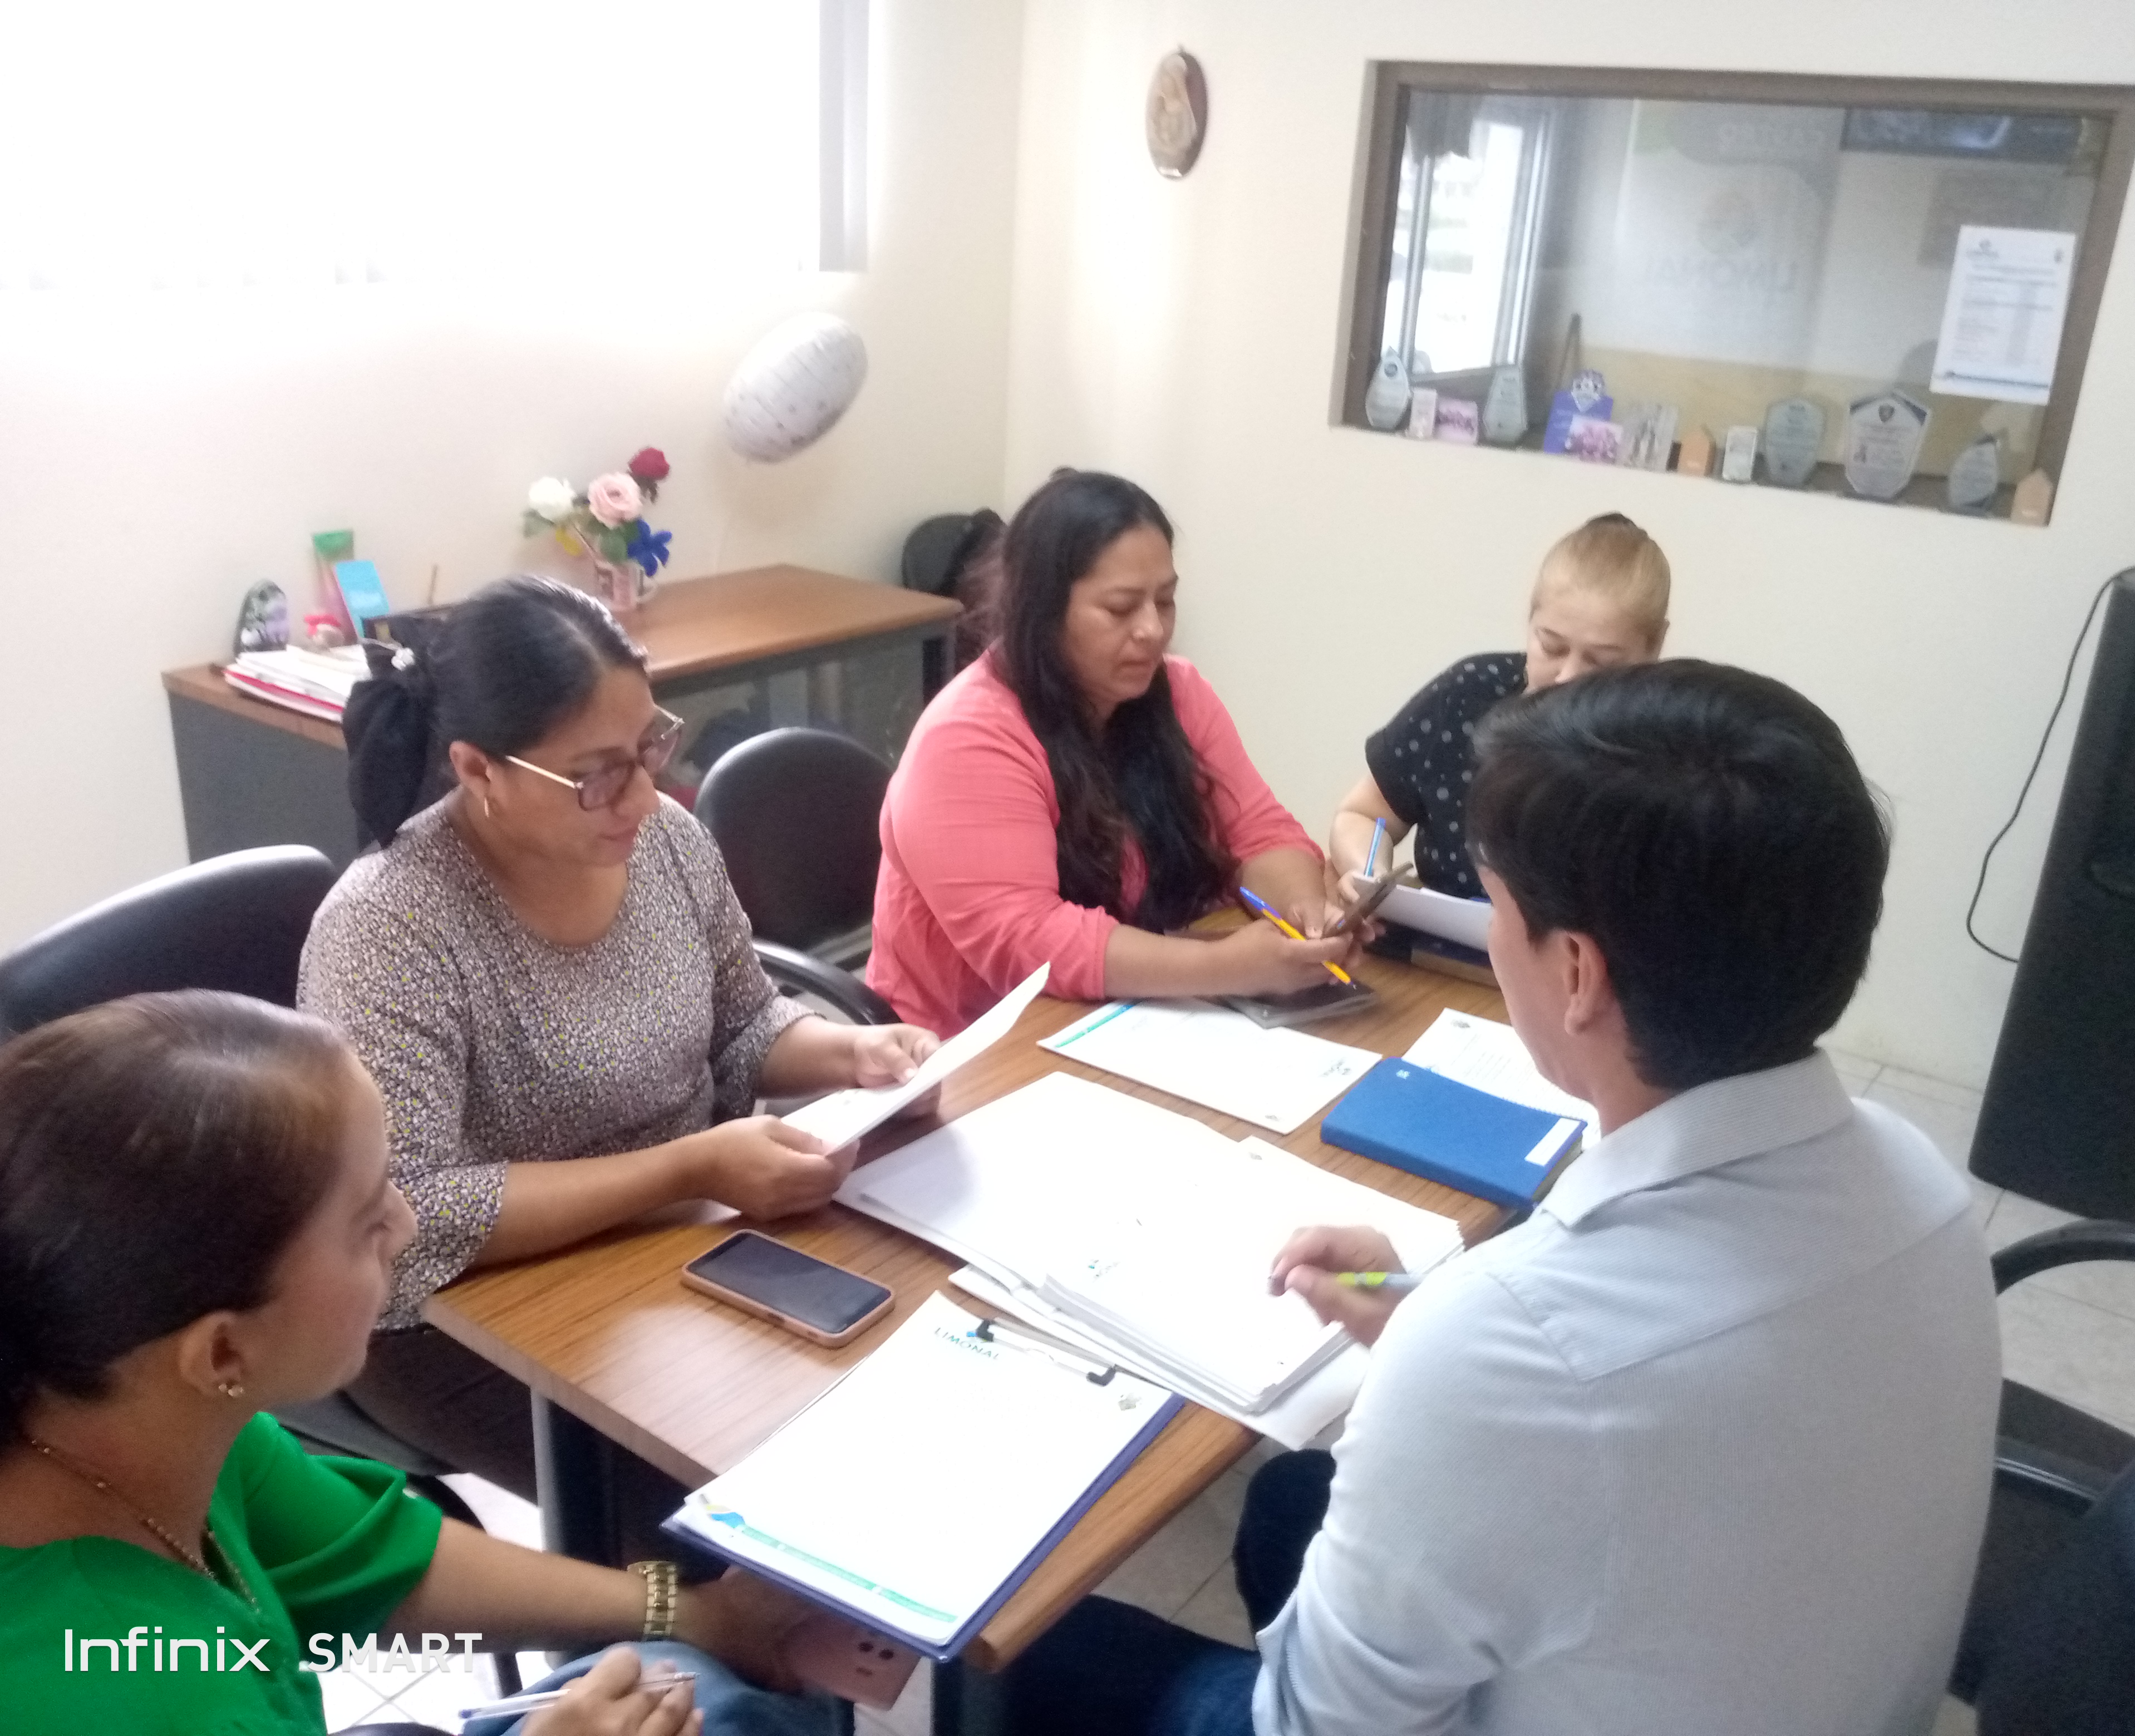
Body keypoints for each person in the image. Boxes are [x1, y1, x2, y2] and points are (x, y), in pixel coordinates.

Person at [1002, 660, 2003, 1736]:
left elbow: (1312, 1727)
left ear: (1576, 974)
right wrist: (1430, 1315)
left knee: (1040, 1655)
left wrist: (1449, 1350)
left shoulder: (1507, 1351)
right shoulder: (1922, 1186)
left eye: (1499, 912)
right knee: (1291, 1502)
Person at [0, 990, 845, 1735]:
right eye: (366, 1220)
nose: (406, 1225)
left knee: (708, 1681)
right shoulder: (138, 1695)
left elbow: (383, 1566)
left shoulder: (152, 1425)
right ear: (223, 1348)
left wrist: (694, 1614)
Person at [301, 575, 938, 1500]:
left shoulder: (664, 843)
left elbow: (743, 1020)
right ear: (479, 770)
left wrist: (852, 1055)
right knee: (720, 1512)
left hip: (676, 1243)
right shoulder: (389, 927)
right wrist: (688, 1169)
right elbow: (413, 1212)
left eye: (650, 746)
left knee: (878, 1407)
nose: (642, 795)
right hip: (462, 1311)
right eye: (596, 774)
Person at [868, 470, 1351, 1036]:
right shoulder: (967, 738)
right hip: (966, 1045)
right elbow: (1030, 943)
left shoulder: (1180, 693)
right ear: (1042, 611)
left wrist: (1306, 917)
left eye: (1165, 601)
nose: (1152, 630)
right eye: (1122, 609)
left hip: (1122, 1016)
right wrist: (1229, 966)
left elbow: (1259, 832)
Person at [1326, 511, 1670, 902]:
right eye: (1551, 647)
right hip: (1435, 938)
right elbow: (1363, 814)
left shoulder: (1673, 755)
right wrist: (1369, 873)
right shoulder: (1469, 695)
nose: (1567, 677)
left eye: (1602, 662)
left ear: (1655, 647)